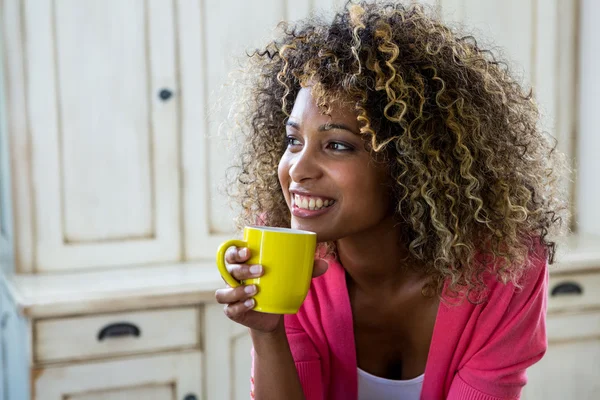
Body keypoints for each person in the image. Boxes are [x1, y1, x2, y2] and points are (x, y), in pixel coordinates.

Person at [215, 1, 568, 399]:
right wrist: (268, 332)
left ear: (413, 162)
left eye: (336, 145)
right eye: (293, 140)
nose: (297, 169)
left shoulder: (504, 268)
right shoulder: (285, 254)